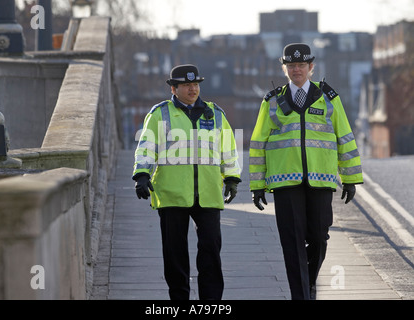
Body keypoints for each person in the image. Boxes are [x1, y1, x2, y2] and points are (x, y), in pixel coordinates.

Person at [249, 43, 363, 300]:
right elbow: (258, 144)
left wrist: (350, 178)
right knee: (292, 243)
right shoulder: (272, 102)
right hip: (284, 182)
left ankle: (308, 282)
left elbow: (344, 136)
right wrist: (257, 185)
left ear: (311, 67)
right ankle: (300, 295)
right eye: (291, 65)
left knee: (319, 239)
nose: (296, 69)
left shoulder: (329, 98)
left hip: (320, 181)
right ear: (285, 69)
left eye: (301, 65)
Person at [132, 64, 242, 300]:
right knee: (175, 255)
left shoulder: (215, 114)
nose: (193, 89)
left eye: (196, 85)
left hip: (208, 193)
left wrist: (232, 178)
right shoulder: (159, 113)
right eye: (186, 85)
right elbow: (146, 147)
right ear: (174, 88)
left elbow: (229, 149)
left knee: (211, 251)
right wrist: (141, 174)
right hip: (171, 194)